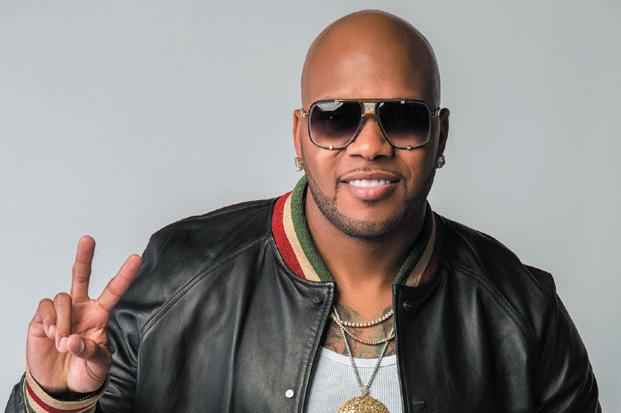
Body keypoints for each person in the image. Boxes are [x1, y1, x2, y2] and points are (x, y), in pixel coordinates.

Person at [6, 9, 601, 413]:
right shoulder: (178, 282)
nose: (370, 145)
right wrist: (57, 401)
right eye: (337, 117)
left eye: (403, 117)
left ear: (440, 136)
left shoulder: (522, 311)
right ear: (300, 135)